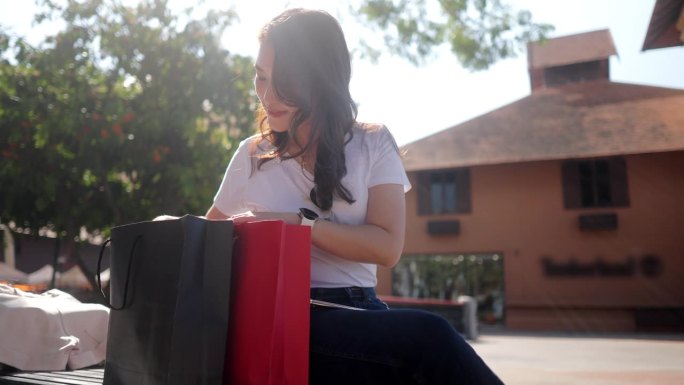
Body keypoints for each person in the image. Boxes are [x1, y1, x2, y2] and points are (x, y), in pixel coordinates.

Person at [206, 8, 504, 385]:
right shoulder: (251, 153)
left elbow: (387, 247)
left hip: (361, 311)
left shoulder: (373, 142)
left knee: (426, 343)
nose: (268, 95)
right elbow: (208, 240)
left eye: (284, 81)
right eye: (261, 77)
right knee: (431, 339)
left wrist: (298, 225)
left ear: (321, 78)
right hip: (280, 316)